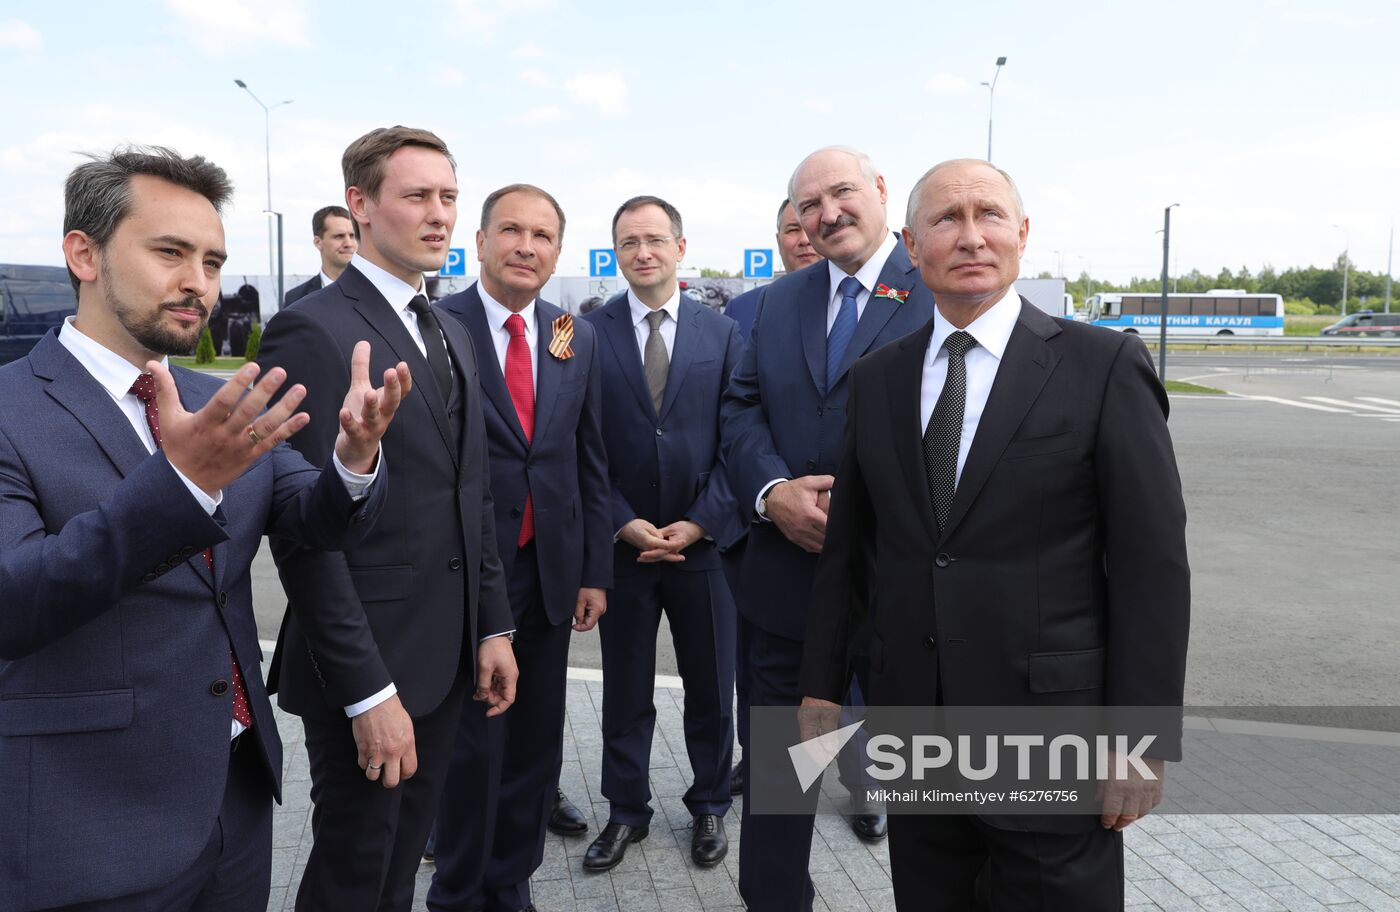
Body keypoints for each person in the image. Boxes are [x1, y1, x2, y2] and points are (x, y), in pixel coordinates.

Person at [0, 146, 406, 911]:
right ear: (82, 254)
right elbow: (15, 601)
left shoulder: (220, 400)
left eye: (213, 261)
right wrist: (182, 483)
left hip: (233, 810)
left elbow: (314, 522)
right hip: (83, 825)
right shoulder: (11, 410)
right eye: (170, 252)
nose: (200, 283)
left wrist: (356, 458)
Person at [798, 158, 1191, 910]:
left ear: (1023, 234)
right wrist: (820, 687)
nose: (971, 236)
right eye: (947, 219)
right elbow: (851, 551)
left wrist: (1140, 740)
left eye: (990, 215)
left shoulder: (1102, 365)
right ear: (912, 246)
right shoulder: (878, 378)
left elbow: (1152, 569)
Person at [256, 126, 519, 912]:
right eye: (417, 197)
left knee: (400, 869)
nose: (439, 215)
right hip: (365, 670)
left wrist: (494, 624)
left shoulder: (450, 329)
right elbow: (300, 530)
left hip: (442, 659)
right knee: (353, 872)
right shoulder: (310, 329)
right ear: (360, 205)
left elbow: (469, 491)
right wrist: (368, 693)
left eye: (448, 197)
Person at [720, 145, 935, 911]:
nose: (826, 214)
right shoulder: (779, 301)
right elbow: (739, 408)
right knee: (779, 792)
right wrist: (773, 490)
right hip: (786, 596)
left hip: (902, 598)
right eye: (809, 204)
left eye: (841, 193)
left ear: (880, 191)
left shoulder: (937, 287)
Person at [427, 184, 612, 912]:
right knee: (473, 742)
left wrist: (594, 570)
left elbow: (585, 459)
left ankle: (511, 881)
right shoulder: (438, 325)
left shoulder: (573, 334)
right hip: (470, 572)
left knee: (536, 740)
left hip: (551, 568)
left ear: (558, 251)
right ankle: (458, 887)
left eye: (542, 235)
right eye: (511, 231)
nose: (526, 247)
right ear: (478, 241)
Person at [580, 195, 744, 872]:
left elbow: (740, 438)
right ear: (616, 253)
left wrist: (703, 519)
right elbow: (579, 441)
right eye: (628, 243)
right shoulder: (584, 331)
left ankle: (709, 803)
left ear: (680, 247)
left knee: (710, 687)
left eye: (654, 239)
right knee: (625, 690)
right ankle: (626, 811)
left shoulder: (724, 333)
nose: (642, 252)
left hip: (703, 549)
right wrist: (621, 520)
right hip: (624, 549)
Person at [724, 197, 820, 339]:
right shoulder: (740, 310)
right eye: (793, 229)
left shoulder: (854, 304)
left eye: (812, 227)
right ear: (778, 241)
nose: (805, 240)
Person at [284, 204, 358, 306]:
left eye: (352, 236)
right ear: (318, 242)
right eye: (339, 236)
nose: (348, 244)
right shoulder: (296, 298)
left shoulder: (374, 291)